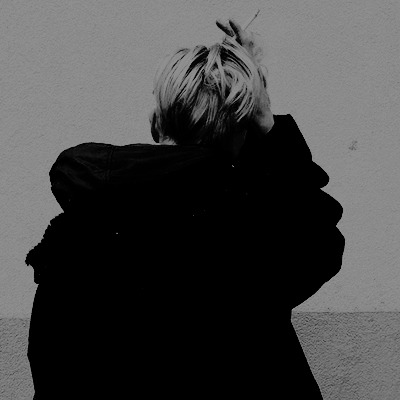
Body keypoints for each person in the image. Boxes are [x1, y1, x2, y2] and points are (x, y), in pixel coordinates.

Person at [26, 18, 345, 399]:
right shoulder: (250, 234)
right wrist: (267, 120)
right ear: (242, 134)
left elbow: (50, 365)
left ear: (156, 122)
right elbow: (320, 237)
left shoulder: (76, 231)